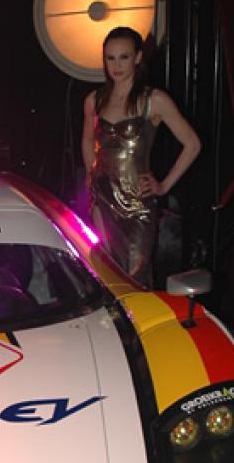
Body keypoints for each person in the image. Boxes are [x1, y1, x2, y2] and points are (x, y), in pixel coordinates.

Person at [81, 26, 201, 287]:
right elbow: (87, 140)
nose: (116, 65)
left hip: (137, 204)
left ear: (137, 57)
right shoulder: (95, 100)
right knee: (106, 274)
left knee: (136, 276)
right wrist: (92, 178)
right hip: (103, 199)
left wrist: (164, 186)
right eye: (110, 58)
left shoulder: (154, 100)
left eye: (124, 57)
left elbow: (192, 144)